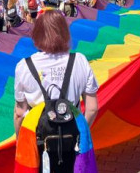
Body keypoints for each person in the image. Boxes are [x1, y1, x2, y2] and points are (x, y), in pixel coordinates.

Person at [13, 10, 98, 165]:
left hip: (38, 141)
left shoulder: (24, 66)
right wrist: (79, 133)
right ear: (65, 33)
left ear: (37, 34)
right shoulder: (80, 61)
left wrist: (20, 141)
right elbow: (92, 108)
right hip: (72, 140)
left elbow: (19, 113)